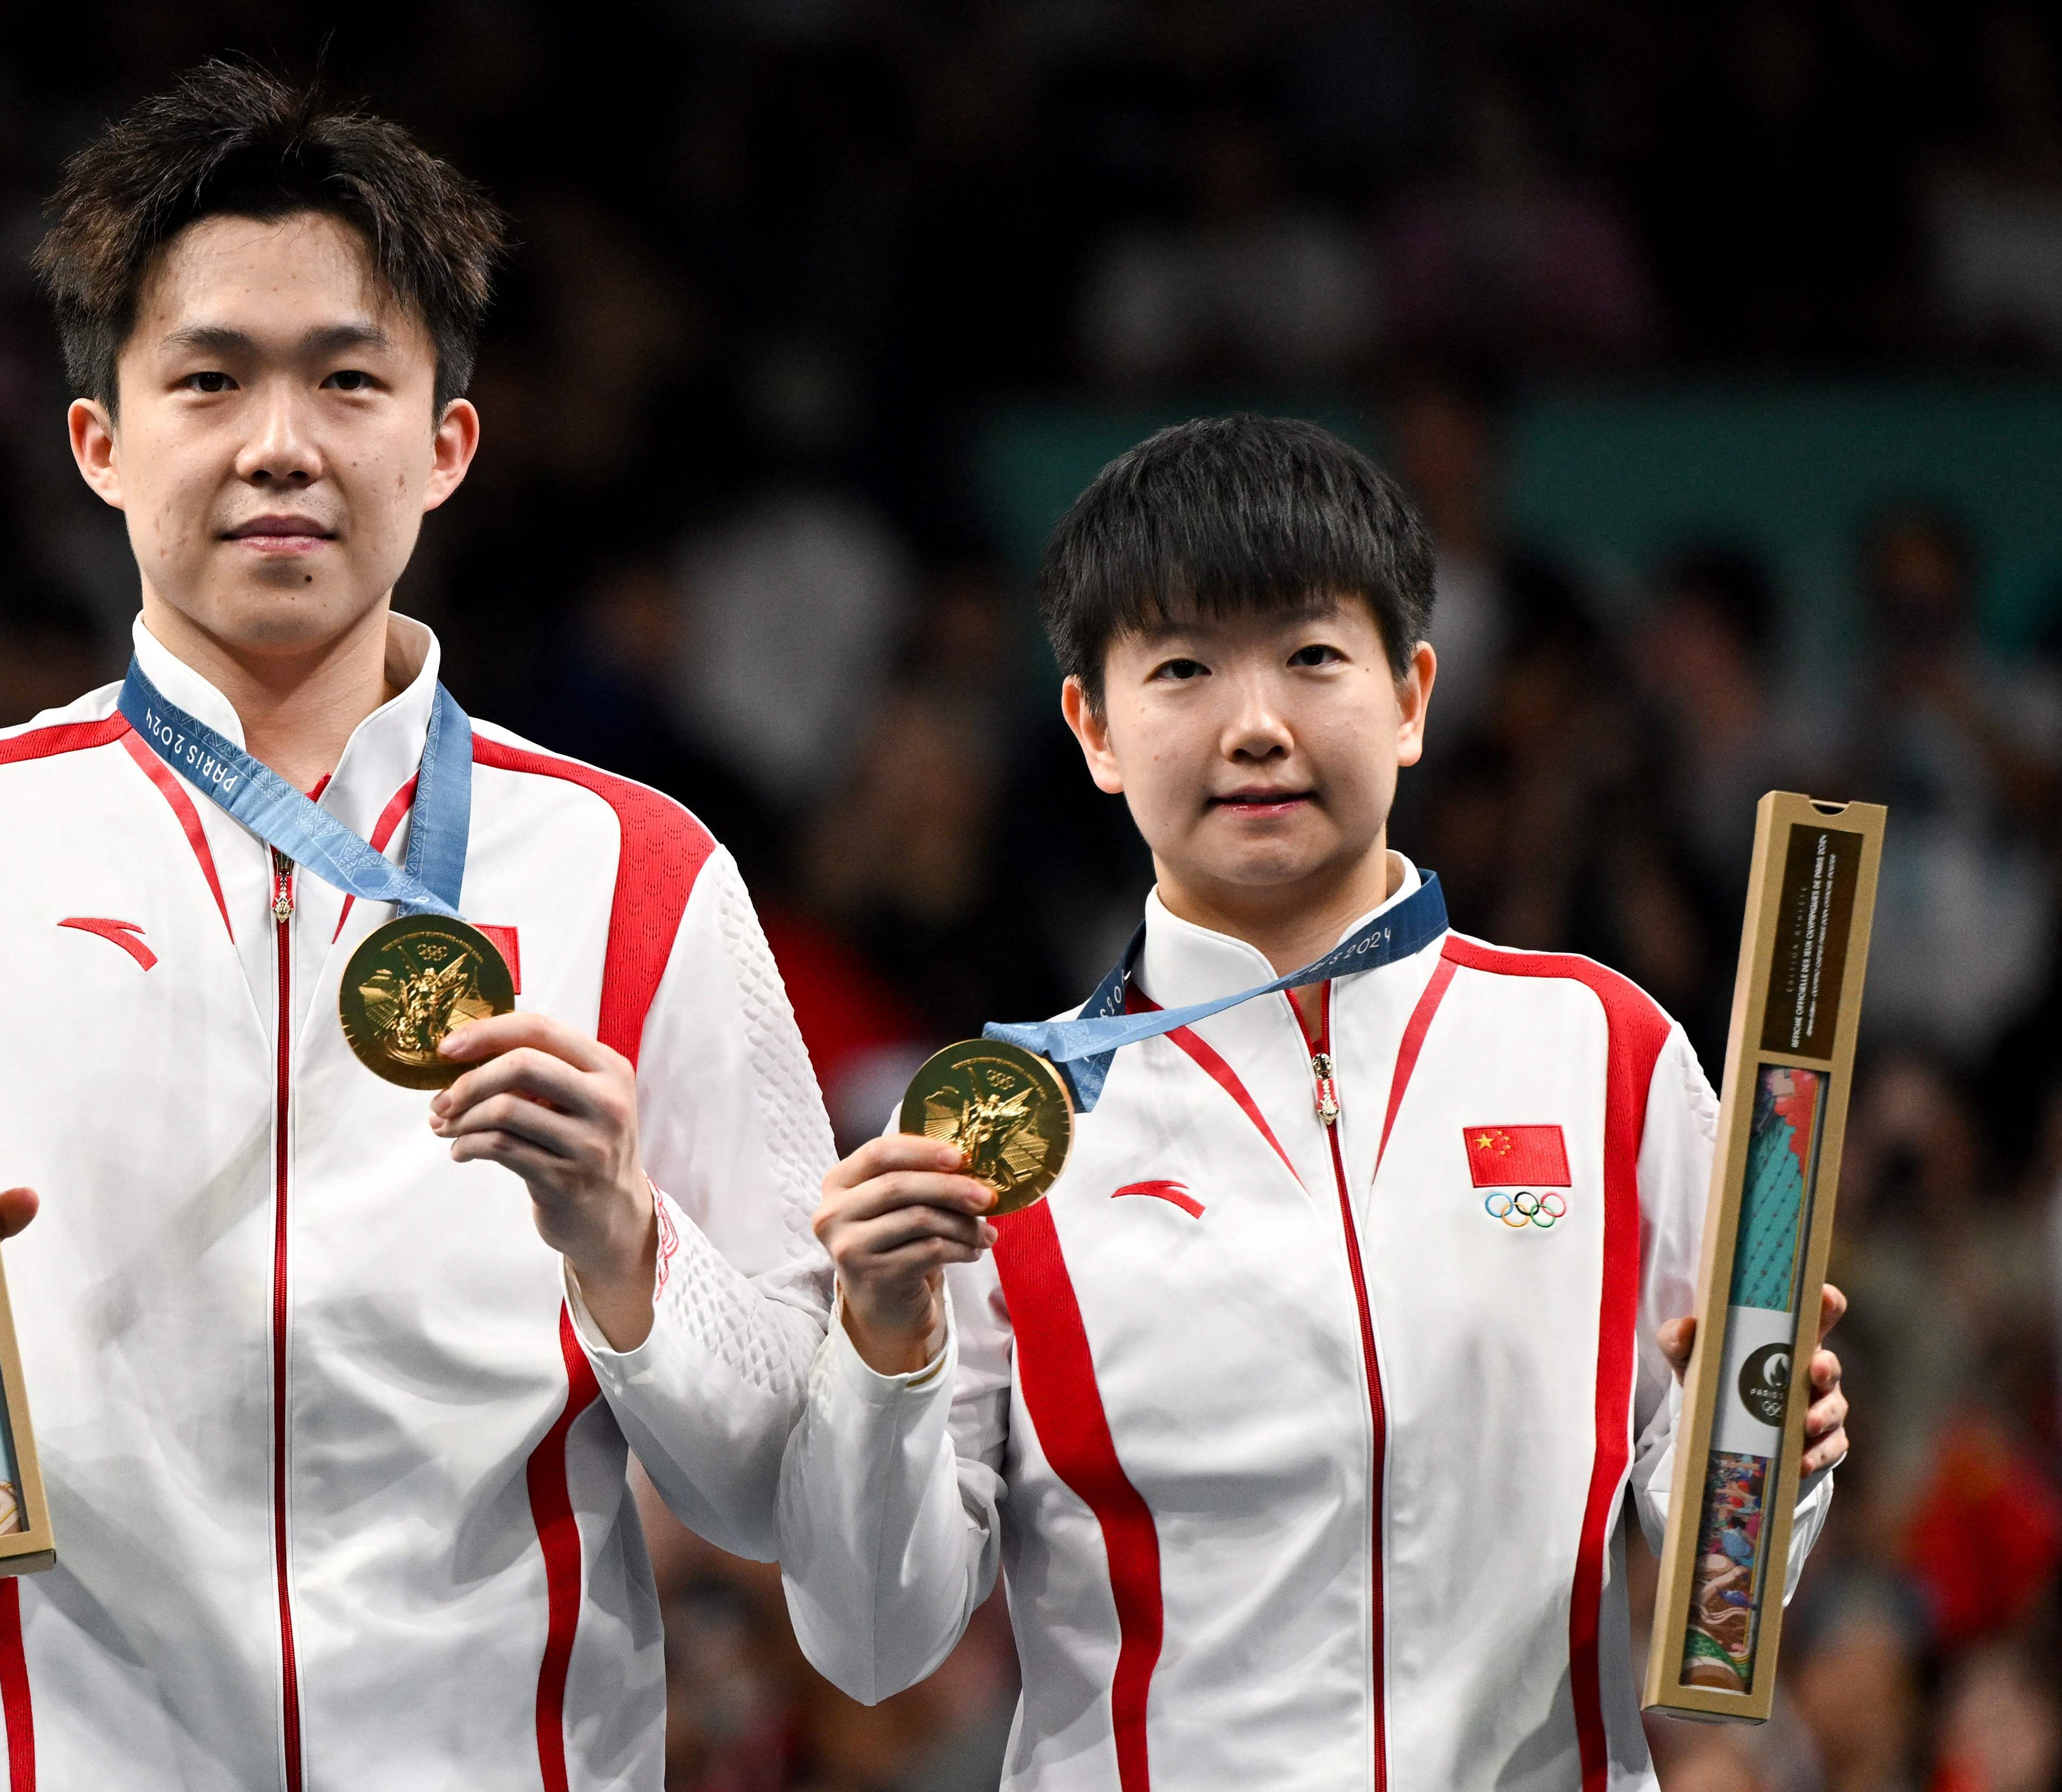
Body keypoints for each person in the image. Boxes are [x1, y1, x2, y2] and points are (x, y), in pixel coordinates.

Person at [0, 63, 836, 1792]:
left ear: (445, 444)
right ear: (100, 443)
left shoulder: (635, 867)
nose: (280, 443)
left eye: (347, 379)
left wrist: (625, 1247)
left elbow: (796, 1475)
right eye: (209, 378)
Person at [779, 416, 1850, 1790]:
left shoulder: (1602, 1051)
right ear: (1094, 729)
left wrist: (1766, 1454)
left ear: (1410, 697)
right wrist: (881, 1346)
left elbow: (1716, 1581)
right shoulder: (1001, 1139)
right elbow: (872, 1643)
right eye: (1182, 669)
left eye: (1310, 656)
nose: (1255, 727)